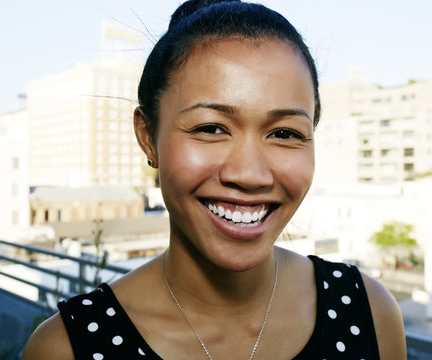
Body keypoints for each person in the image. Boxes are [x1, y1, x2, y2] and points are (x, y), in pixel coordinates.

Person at [21, 1, 406, 359]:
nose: (250, 174)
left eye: (285, 133)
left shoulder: (369, 311)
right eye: (211, 128)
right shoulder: (65, 348)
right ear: (147, 136)